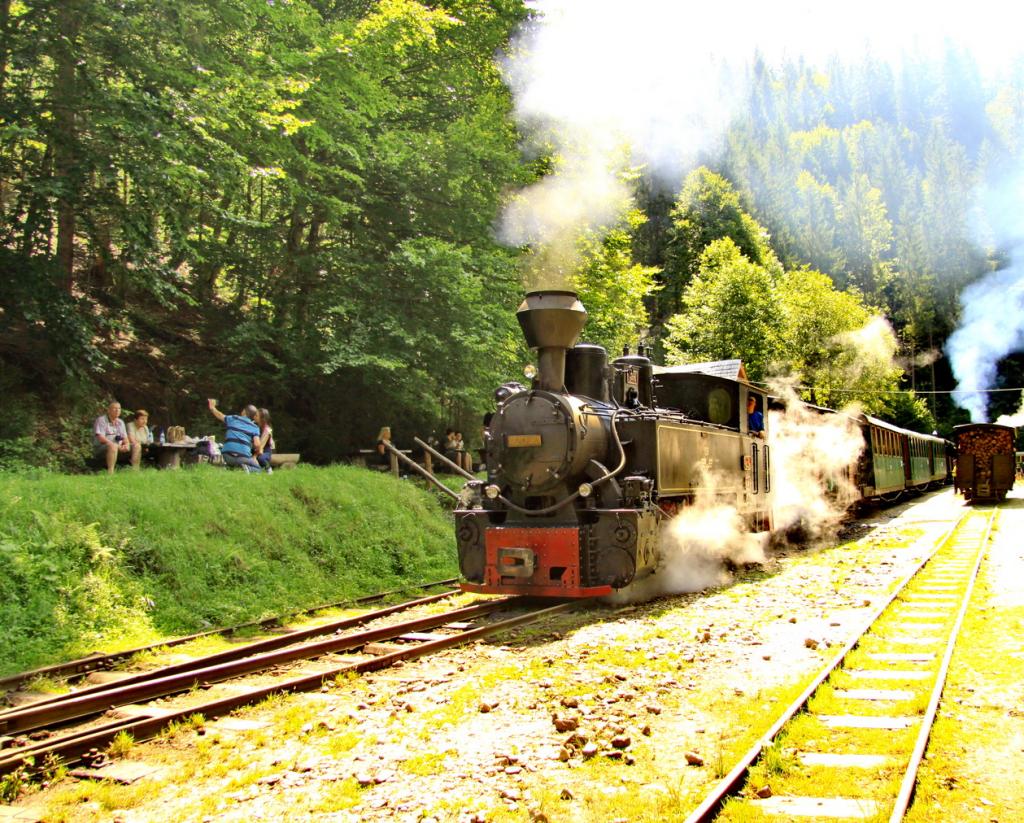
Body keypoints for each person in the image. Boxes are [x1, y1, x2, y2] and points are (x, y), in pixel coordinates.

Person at [208, 399, 262, 472]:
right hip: (243, 458)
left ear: (244, 411)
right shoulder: (254, 427)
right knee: (258, 469)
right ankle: (246, 469)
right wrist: (256, 452)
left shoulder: (233, 418)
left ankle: (227, 466)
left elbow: (220, 415)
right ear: (253, 416)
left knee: (229, 459)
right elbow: (257, 444)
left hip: (227, 456)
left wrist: (212, 407)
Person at [92, 401, 140, 473]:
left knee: (137, 446)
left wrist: (126, 444)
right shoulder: (101, 420)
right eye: (115, 408)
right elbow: (101, 438)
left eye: (119, 408)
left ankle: (135, 471)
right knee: (113, 446)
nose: (117, 410)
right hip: (101, 448)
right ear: (109, 410)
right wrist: (116, 446)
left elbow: (125, 437)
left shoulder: (120, 422)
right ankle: (111, 472)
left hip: (119, 446)